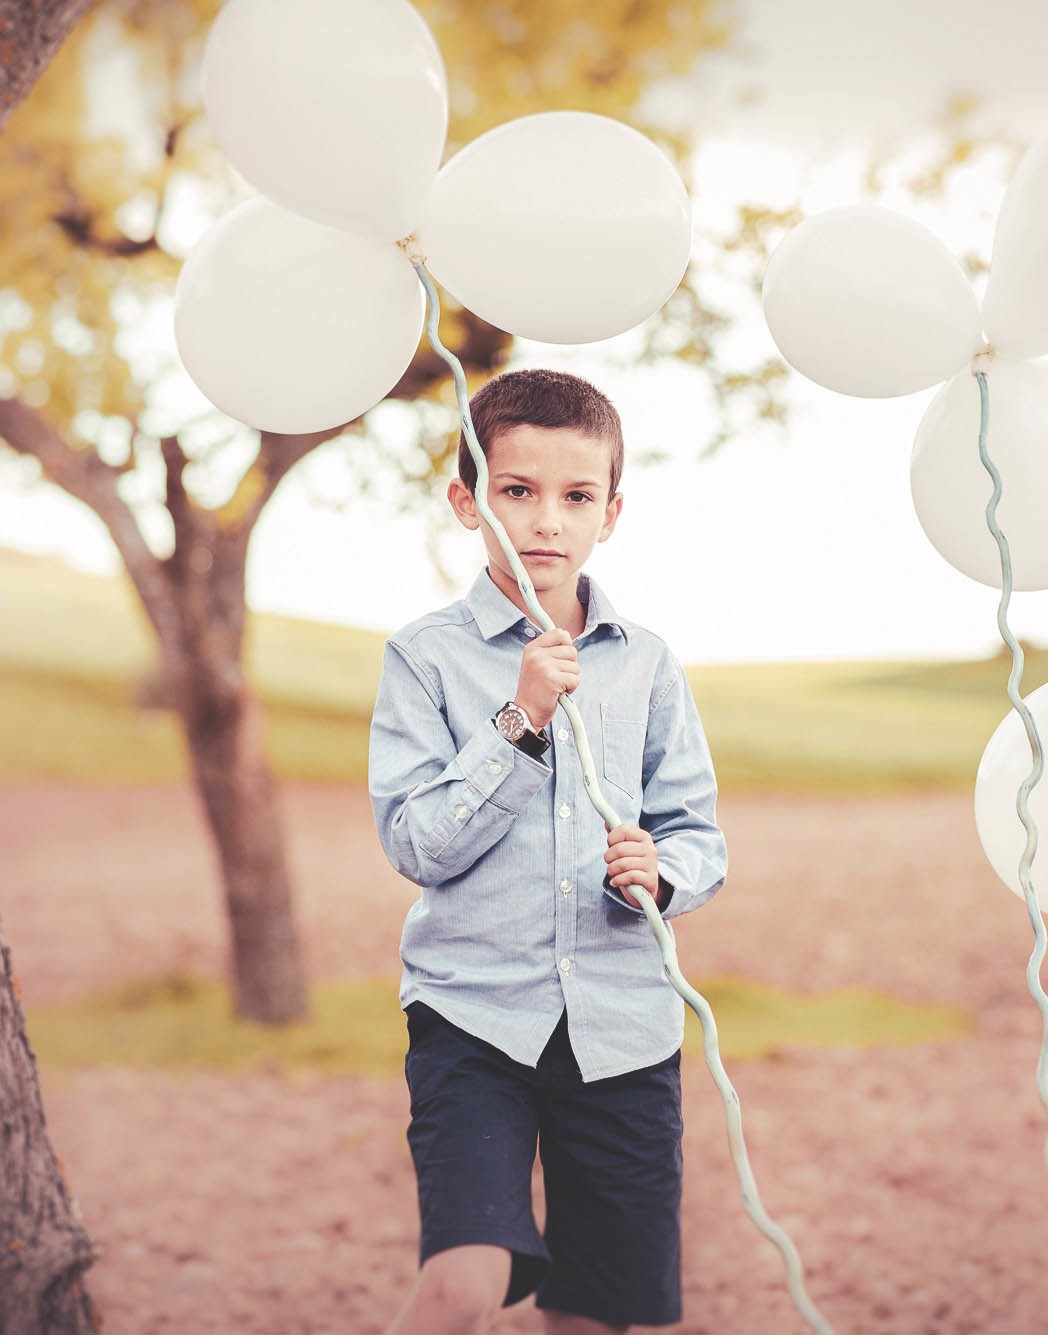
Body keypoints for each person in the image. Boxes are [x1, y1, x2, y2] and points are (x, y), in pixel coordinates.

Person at [368, 368, 729, 1333]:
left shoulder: (646, 662)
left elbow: (697, 830)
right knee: (462, 1282)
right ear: (466, 500)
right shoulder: (424, 658)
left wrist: (665, 870)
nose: (546, 522)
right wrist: (520, 720)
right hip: (472, 1016)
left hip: (624, 1027)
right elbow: (416, 843)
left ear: (611, 513)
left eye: (576, 497)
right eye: (517, 490)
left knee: (597, 1312)